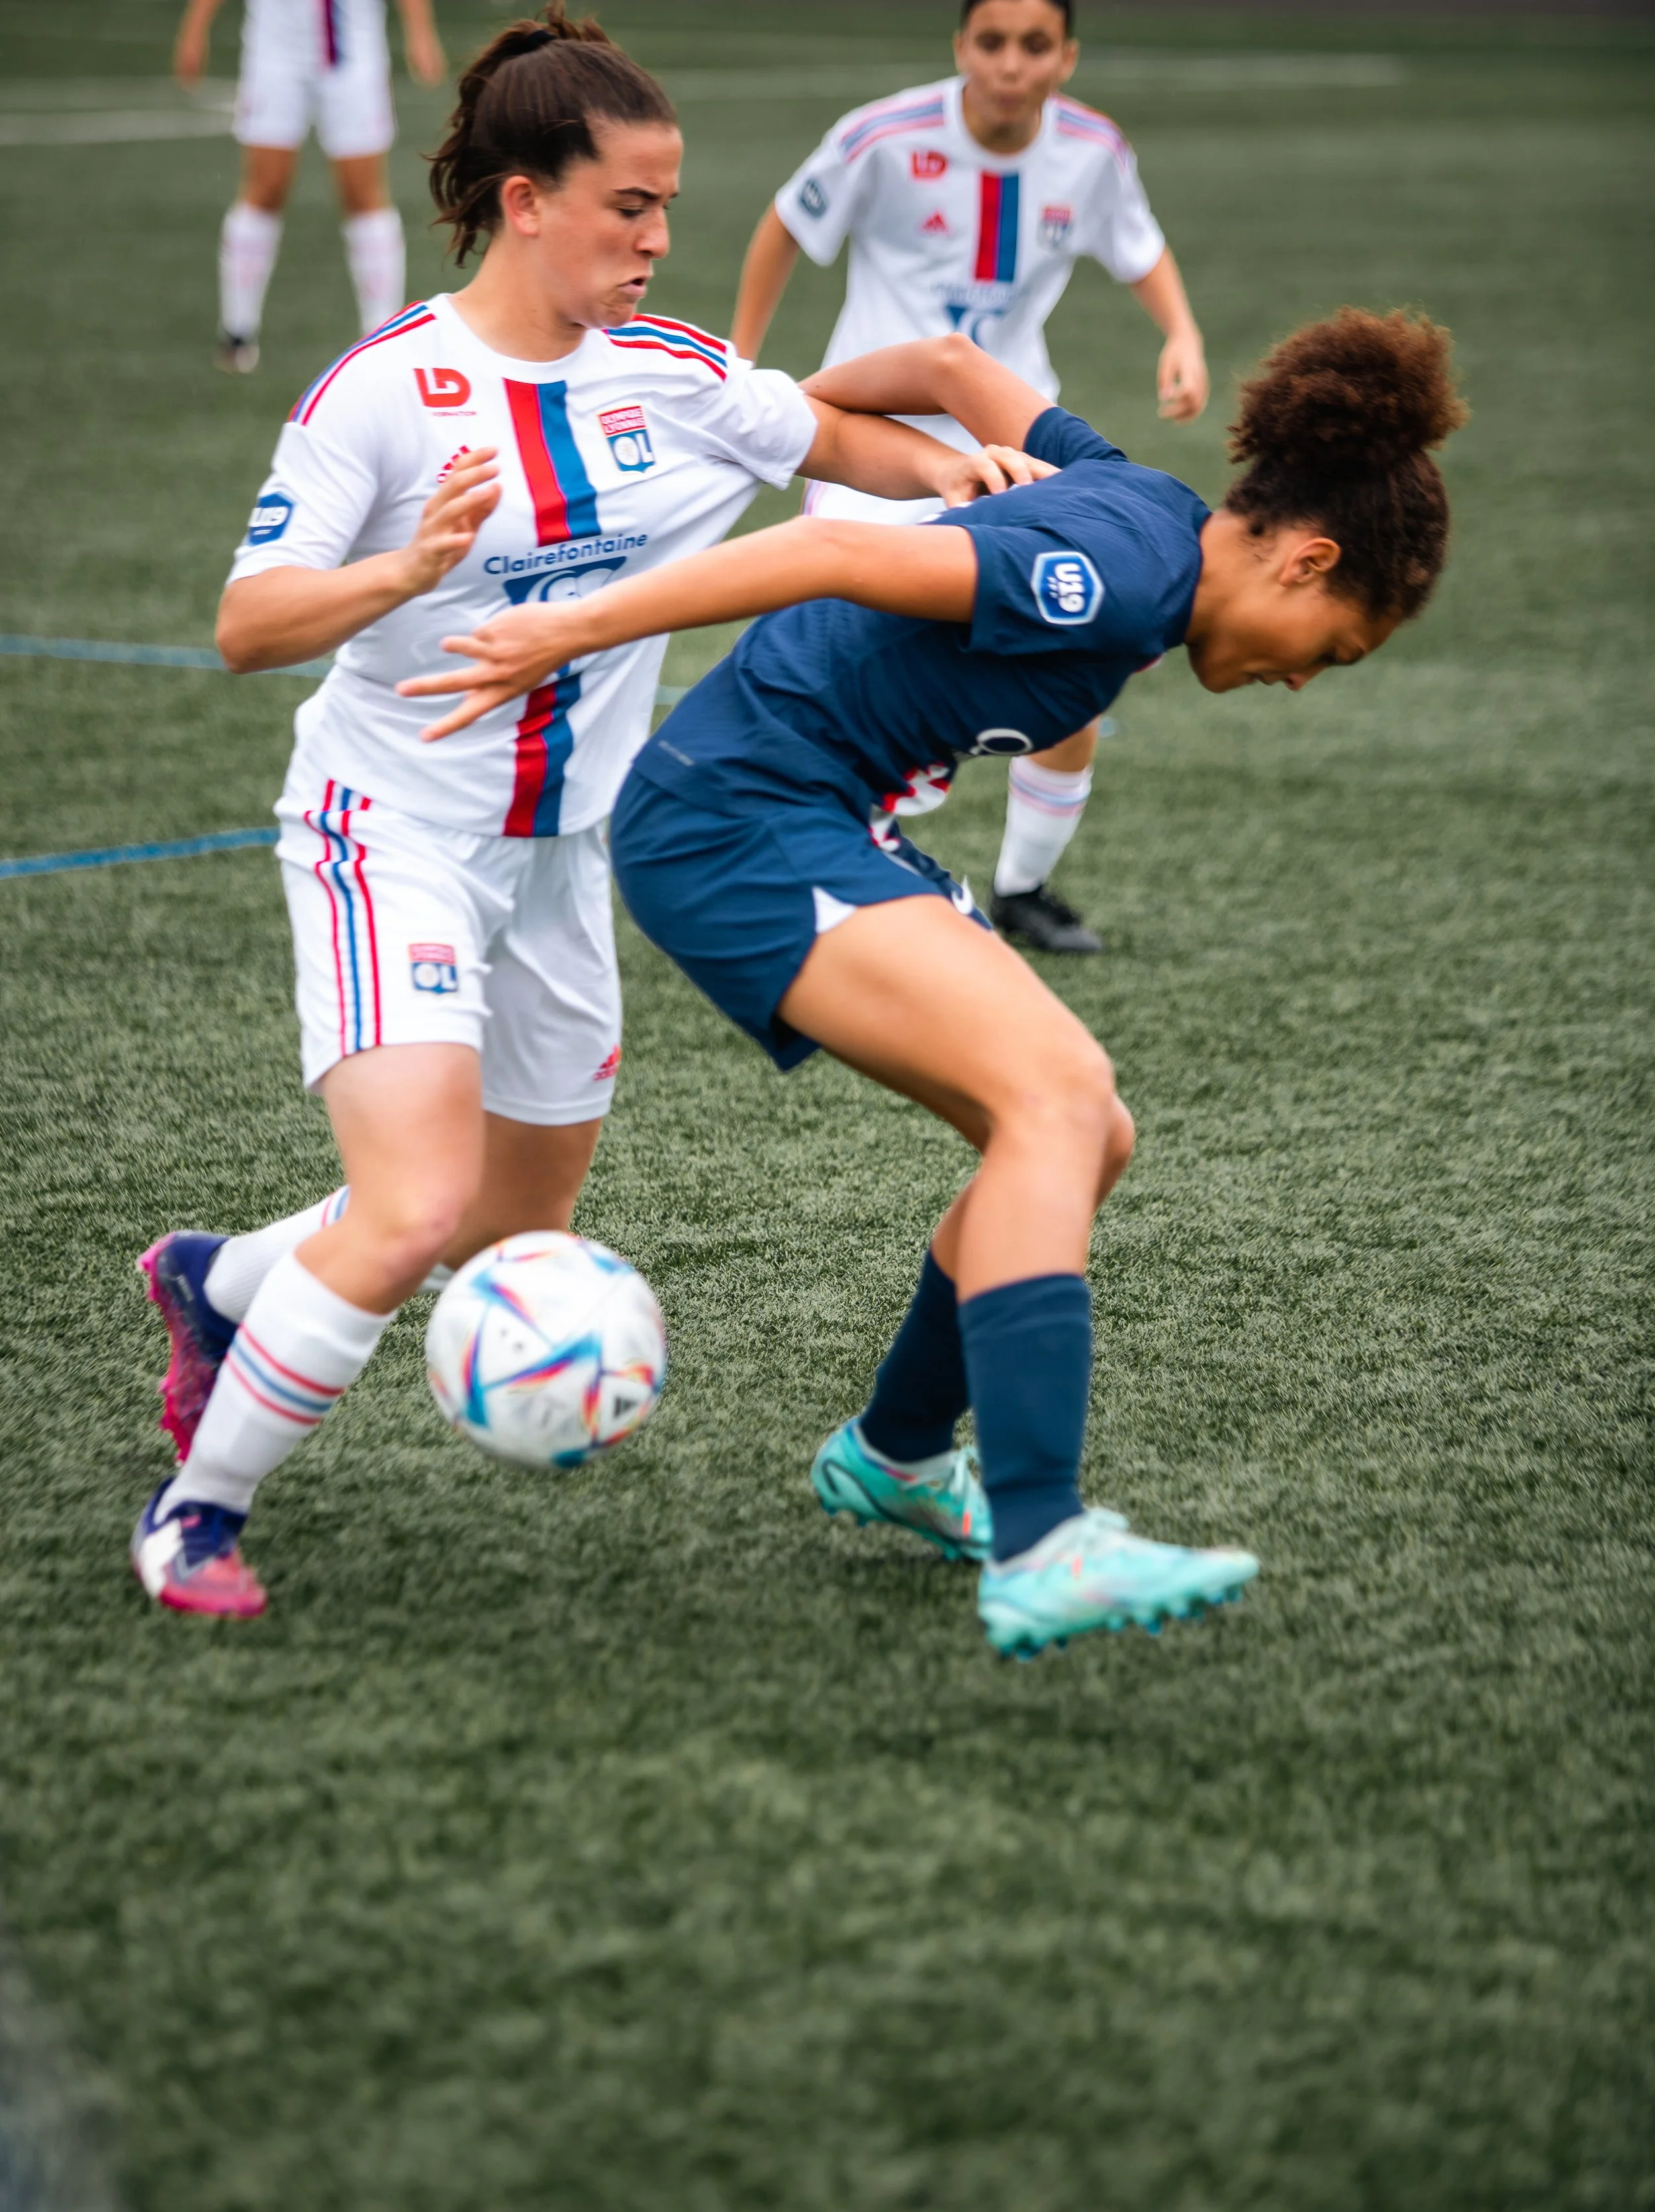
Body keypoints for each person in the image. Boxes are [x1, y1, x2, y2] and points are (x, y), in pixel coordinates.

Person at [130, 7, 1049, 1621]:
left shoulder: (672, 376)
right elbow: (246, 624)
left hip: (566, 861)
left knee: (499, 1221)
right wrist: (402, 574)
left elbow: (836, 442)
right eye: (630, 205)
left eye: (668, 207)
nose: (658, 239)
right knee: (413, 1204)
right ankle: (194, 1512)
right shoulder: (385, 392)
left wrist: (991, 473)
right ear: (523, 198)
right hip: (387, 833)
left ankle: (218, 1281)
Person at [402, 311, 1466, 1659]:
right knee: (1059, 1096)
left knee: (1089, 1133)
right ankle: (1040, 1540)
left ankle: (896, 1456)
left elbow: (951, 369)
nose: (1304, 677)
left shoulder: (1138, 504)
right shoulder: (1123, 568)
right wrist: (583, 614)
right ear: (1306, 559)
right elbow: (831, 548)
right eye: (1334, 644)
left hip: (812, 817)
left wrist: (783, 420)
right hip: (737, 817)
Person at [731, 0, 1208, 958]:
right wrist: (739, 367)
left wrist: (1182, 333)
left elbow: (1139, 244)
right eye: (991, 42)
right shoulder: (883, 137)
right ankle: (797, 855)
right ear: (960, 49)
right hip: (879, 430)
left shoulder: (1095, 150)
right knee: (838, 645)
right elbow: (785, 222)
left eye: (1036, 46)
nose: (1011, 65)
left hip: (1023, 437)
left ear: (1066, 57)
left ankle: (1025, 885)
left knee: (1078, 659)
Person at [173, 0, 448, 372]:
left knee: (364, 194)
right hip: (275, 50)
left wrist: (420, 31)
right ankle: (237, 331)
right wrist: (195, 27)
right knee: (265, 188)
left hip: (354, 49)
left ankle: (381, 337)